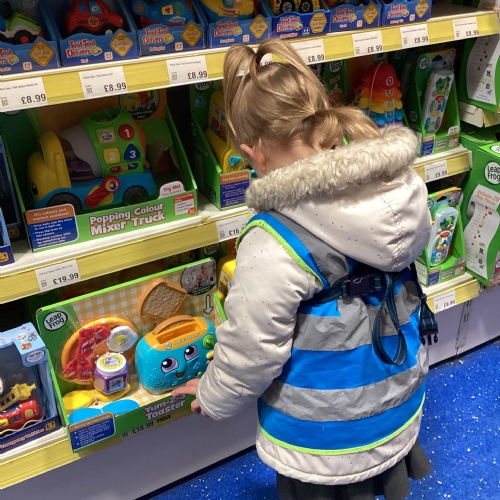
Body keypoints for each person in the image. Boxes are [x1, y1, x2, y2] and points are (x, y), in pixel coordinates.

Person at [172, 38, 433, 500]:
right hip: (395, 393)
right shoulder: (397, 190)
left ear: (253, 153)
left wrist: (214, 395)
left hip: (323, 428)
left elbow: (253, 349)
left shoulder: (274, 239)